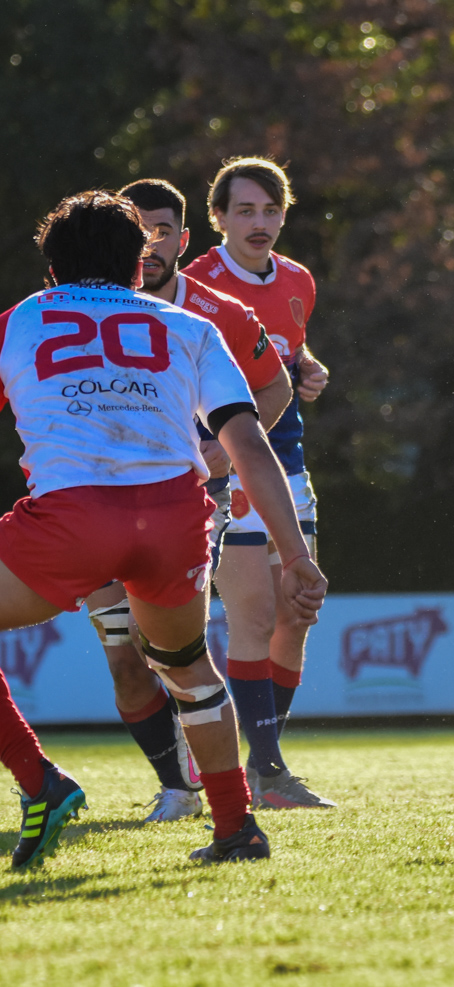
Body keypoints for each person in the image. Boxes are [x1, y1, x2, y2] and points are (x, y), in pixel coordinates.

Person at [0, 191, 326, 867]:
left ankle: (40, 781)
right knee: (187, 667)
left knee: (147, 661)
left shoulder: (21, 319)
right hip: (176, 518)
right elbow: (249, 444)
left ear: (52, 268)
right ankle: (236, 827)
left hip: (73, 517)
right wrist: (295, 554)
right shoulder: (189, 324)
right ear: (136, 264)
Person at [79, 179, 293, 824]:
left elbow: (276, 387)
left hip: (191, 504)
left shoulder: (217, 313)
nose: (149, 245)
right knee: (124, 659)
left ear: (183, 238)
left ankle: (237, 789)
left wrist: (222, 450)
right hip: (92, 502)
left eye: (162, 231)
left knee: (172, 649)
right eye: (138, 232)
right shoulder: (79, 311)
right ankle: (177, 788)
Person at [184, 157, 334, 810]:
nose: (260, 222)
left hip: (288, 460)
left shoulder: (298, 280)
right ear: (217, 217)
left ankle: (260, 757)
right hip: (226, 466)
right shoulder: (195, 285)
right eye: (245, 210)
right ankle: (267, 772)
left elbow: (287, 354)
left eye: (271, 210)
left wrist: (308, 369)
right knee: (254, 614)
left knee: (298, 610)